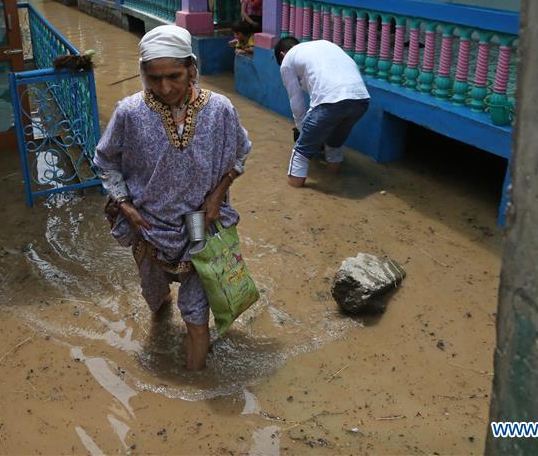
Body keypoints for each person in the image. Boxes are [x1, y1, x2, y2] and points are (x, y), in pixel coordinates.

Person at [94, 25, 252, 371]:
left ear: (192, 69)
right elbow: (105, 161)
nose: (165, 88)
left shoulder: (220, 110)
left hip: (201, 228)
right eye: (154, 78)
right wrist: (125, 206)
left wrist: (218, 195)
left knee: (197, 316)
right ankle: (161, 305)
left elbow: (241, 153)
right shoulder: (129, 112)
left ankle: (196, 387)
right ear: (144, 75)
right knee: (156, 299)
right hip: (149, 227)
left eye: (174, 76)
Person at [275, 37, 370, 188]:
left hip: (330, 101)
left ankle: (295, 189)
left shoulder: (287, 61)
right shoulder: (324, 45)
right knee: (334, 145)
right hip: (361, 99)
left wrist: (303, 132)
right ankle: (334, 181)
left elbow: (296, 102)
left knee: (301, 154)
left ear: (282, 55)